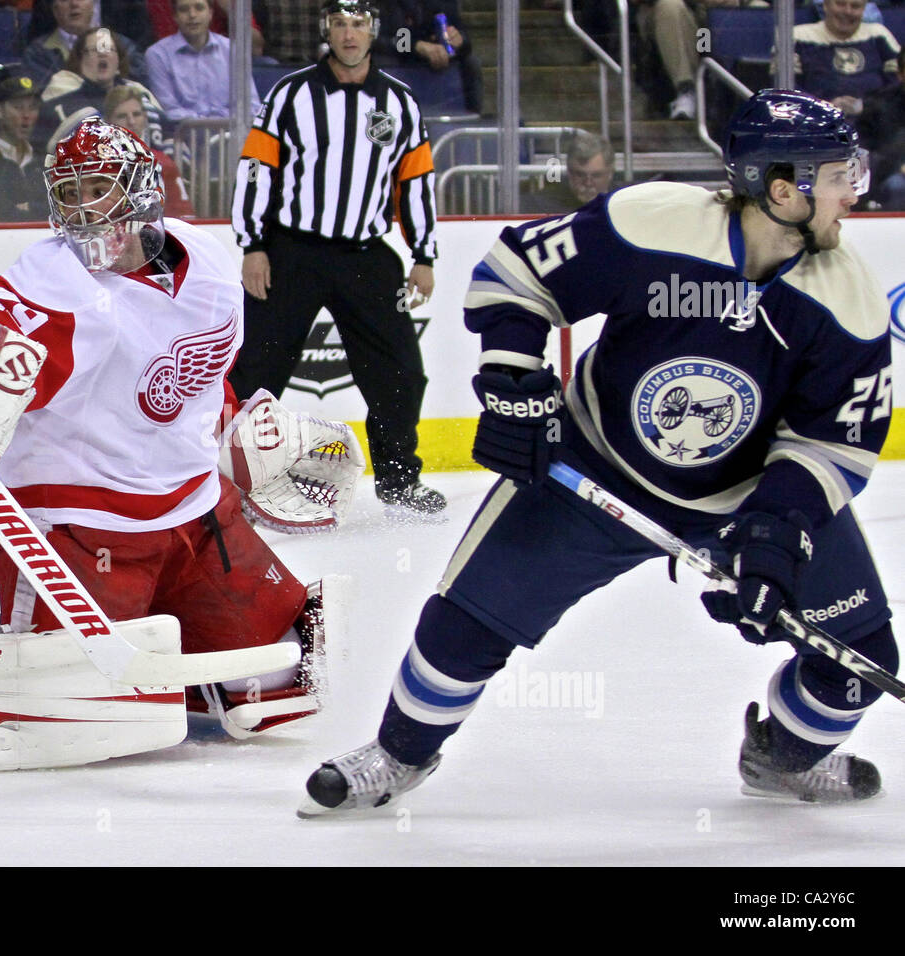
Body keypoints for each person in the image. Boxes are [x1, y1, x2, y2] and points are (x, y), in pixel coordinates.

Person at [298, 89, 897, 816]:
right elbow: (518, 271)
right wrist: (515, 381)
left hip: (746, 498)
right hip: (590, 468)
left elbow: (833, 444)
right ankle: (397, 755)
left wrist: (775, 532)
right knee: (463, 627)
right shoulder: (654, 224)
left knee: (861, 662)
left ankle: (781, 758)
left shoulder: (848, 299)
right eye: (838, 176)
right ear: (781, 189)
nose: (852, 194)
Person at [0, 118, 365, 741]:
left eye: (99, 187)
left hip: (198, 519)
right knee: (75, 717)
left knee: (277, 681)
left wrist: (235, 430)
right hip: (84, 532)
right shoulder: (54, 284)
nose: (84, 210)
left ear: (142, 188)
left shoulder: (212, 264)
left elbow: (197, 374)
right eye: (70, 193)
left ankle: (177, 672)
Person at [230, 0, 445, 518]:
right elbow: (257, 169)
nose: (349, 35)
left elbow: (415, 181)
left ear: (374, 30)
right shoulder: (291, 93)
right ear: (326, 28)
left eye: (359, 24)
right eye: (340, 23)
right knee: (256, 370)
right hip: (291, 251)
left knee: (400, 371)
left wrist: (423, 254)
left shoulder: (400, 102)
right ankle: (229, 485)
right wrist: (252, 244)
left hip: (367, 256)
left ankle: (398, 481)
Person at [34, 26, 166, 155]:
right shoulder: (62, 100)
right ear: (80, 59)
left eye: (108, 49)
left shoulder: (139, 94)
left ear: (119, 58)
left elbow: (167, 133)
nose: (102, 53)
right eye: (94, 49)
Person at [785, 0, 901, 122]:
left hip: (874, 126)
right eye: (840, 4)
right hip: (814, 124)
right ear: (825, 5)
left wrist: (865, 106)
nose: (847, 11)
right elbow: (786, 88)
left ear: (864, 9)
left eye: (855, 6)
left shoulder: (879, 34)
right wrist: (824, 107)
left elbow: (898, 85)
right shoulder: (796, 36)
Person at [145, 0, 260, 121]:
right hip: (183, 136)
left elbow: (251, 106)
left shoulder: (233, 51)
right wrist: (211, 125)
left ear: (210, 13)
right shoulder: (158, 55)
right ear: (175, 16)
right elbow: (168, 111)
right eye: (184, 9)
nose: (192, 15)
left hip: (231, 134)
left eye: (199, 8)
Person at [375, 0, 482, 115]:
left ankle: (468, 119)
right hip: (398, 57)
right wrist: (416, 46)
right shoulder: (384, 4)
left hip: (436, 56)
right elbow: (378, 39)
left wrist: (459, 40)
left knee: (471, 63)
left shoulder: (445, 3)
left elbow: (462, 35)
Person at [104, 86, 195, 218]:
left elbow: (184, 217)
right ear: (109, 121)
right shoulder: (95, 165)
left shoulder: (163, 163)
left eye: (136, 114)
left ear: (145, 118)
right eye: (122, 116)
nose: (131, 121)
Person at [21, 0, 149, 91]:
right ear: (55, 10)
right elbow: (42, 99)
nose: (74, 4)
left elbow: (140, 86)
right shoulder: (38, 53)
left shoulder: (122, 46)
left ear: (93, 5)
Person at [0, 70, 50, 222]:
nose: (26, 115)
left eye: (32, 107)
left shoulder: (43, 157)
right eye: (18, 107)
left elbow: (55, 208)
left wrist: (31, 208)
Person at [521, 130, 616, 214]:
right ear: (569, 172)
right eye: (580, 175)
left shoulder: (627, 202)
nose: (588, 183)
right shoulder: (540, 206)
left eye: (596, 175)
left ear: (610, 173)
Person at [858, 53, 905, 209]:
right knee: (897, 187)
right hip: (892, 174)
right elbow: (864, 151)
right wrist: (898, 166)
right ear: (900, 74)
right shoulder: (879, 104)